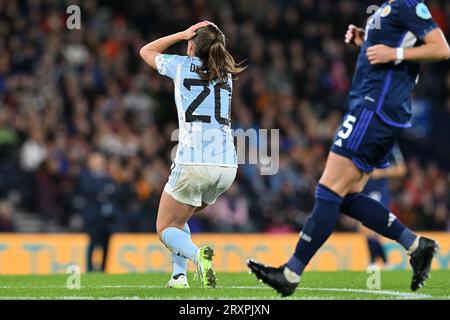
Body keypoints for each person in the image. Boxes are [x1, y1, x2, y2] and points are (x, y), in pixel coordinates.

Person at [248, 0, 449, 296]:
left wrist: (396, 52)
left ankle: (291, 272)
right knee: (345, 195)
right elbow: (387, 53)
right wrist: (364, 40)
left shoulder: (408, 4)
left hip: (374, 109)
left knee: (328, 189)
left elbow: (441, 47)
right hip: (375, 108)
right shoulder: (387, 7)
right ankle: (416, 245)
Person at [139, 21, 245, 288]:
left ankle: (198, 256)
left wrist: (181, 33)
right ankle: (178, 276)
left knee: (165, 228)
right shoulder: (226, 76)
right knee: (180, 218)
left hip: (194, 162)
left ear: (190, 46)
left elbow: (146, 51)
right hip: (226, 167)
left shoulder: (180, 65)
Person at [362, 145, 407, 267]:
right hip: (362, 191)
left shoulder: (389, 144)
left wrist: (381, 172)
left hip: (378, 190)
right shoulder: (360, 140)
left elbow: (402, 169)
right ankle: (384, 262)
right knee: (365, 228)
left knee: (368, 226)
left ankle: (373, 262)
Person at [80, 152, 117, 272]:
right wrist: (105, 190)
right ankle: (89, 268)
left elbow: (116, 190)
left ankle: (103, 268)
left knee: (106, 243)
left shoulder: (107, 177)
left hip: (107, 218)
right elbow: (89, 189)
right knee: (92, 242)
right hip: (93, 217)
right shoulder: (86, 176)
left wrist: (102, 191)